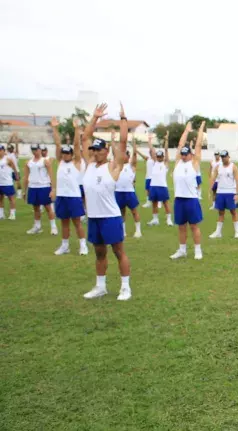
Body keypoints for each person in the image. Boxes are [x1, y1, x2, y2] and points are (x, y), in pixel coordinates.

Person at [81, 103, 132, 301]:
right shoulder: (90, 165)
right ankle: (100, 286)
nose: (94, 152)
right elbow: (85, 137)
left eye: (98, 150)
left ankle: (125, 288)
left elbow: (124, 141)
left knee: (119, 252)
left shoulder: (113, 166)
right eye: (93, 150)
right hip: (94, 217)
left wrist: (123, 120)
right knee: (99, 253)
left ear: (106, 151)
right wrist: (94, 118)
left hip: (110, 217)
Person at [50, 116, 88, 256]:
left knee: (77, 223)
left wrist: (77, 130)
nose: (65, 155)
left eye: (68, 153)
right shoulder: (60, 162)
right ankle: (64, 245)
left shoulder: (76, 163)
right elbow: (57, 144)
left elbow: (77, 146)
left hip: (73, 197)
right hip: (61, 196)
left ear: (72, 155)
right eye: (64, 153)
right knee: (64, 223)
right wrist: (55, 128)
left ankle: (83, 245)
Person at [170, 122, 205, 260]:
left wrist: (200, 130)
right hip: (179, 199)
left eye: (186, 154)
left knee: (194, 226)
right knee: (181, 227)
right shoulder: (178, 162)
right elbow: (180, 145)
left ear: (190, 155)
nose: (183, 156)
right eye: (182, 154)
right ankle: (182, 250)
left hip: (191, 199)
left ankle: (198, 250)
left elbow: (198, 145)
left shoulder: (194, 163)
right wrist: (186, 131)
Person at [23, 143, 57, 235]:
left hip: (44, 186)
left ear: (39, 150)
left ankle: (53, 227)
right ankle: (37, 226)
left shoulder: (45, 161)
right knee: (36, 208)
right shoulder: (28, 162)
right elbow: (26, 177)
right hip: (33, 187)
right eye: (33, 150)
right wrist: (24, 191)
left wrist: (53, 189)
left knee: (48, 207)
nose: (35, 151)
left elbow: (51, 175)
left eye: (36, 149)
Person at [209, 150, 238, 239]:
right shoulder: (218, 167)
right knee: (220, 212)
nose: (223, 158)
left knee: (233, 212)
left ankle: (237, 231)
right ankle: (218, 232)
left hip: (230, 192)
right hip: (220, 192)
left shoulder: (233, 167)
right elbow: (213, 178)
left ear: (228, 157)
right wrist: (210, 190)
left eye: (225, 156)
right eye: (222, 157)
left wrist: (237, 193)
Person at [114, 137, 142, 239]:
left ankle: (138, 231)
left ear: (128, 156)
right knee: (121, 212)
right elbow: (114, 151)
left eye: (125, 154)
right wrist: (113, 141)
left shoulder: (131, 166)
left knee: (134, 211)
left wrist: (134, 145)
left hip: (129, 192)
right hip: (118, 191)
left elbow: (135, 155)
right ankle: (123, 231)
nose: (123, 156)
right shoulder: (117, 165)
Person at [147, 136, 172, 226]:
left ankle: (169, 220)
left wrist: (166, 140)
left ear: (163, 157)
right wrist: (149, 141)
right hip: (153, 186)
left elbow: (166, 150)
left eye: (160, 157)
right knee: (154, 203)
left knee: (165, 203)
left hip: (162, 186)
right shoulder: (154, 162)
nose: (159, 158)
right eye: (158, 156)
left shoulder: (165, 164)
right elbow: (151, 150)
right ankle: (155, 219)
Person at [136, 133, 156, 208]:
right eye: (151, 151)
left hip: (153, 177)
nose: (152, 152)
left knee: (153, 191)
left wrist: (149, 141)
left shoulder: (155, 159)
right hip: (147, 177)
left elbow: (151, 149)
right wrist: (136, 150)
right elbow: (141, 154)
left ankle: (157, 201)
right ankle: (148, 202)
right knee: (147, 190)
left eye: (153, 151)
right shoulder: (148, 158)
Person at [0, 143, 19, 220]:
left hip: (7, 182)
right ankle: (1, 214)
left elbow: (14, 168)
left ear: (4, 151)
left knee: (11, 198)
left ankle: (12, 214)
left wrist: (16, 176)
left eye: (0, 150)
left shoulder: (7, 159)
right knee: (0, 198)